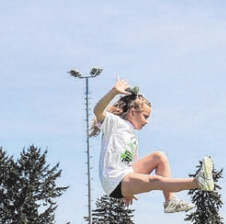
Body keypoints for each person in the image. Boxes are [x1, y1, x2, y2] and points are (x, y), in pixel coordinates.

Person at [91, 77, 214, 215]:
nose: (147, 122)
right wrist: (114, 92)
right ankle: (198, 182)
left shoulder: (132, 136)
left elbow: (130, 164)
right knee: (155, 181)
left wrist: (130, 190)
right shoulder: (114, 123)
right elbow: (97, 110)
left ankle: (170, 200)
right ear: (132, 112)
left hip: (126, 176)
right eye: (145, 116)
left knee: (159, 156)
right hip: (113, 180)